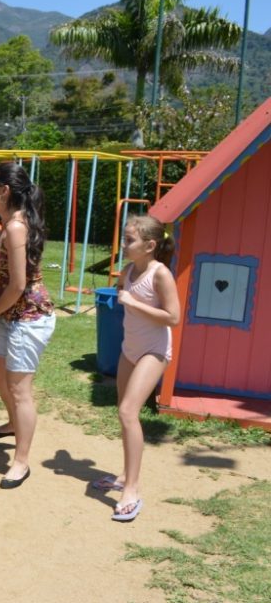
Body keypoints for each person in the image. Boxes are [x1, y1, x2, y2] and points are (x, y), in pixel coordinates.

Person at [93, 216, 179, 522]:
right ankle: (125, 476)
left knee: (128, 412)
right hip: (129, 349)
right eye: (125, 238)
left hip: (154, 351)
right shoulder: (128, 270)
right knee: (125, 414)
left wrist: (133, 302)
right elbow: (123, 296)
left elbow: (173, 317)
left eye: (129, 240)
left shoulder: (160, 274)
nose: (124, 244)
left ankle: (132, 489)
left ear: (150, 245)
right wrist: (122, 295)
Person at [0, 162, 55, 490]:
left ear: (4, 190)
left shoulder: (17, 227)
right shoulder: (11, 223)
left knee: (21, 390)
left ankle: (21, 462)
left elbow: (19, 284)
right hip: (13, 315)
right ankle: (13, 423)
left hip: (27, 318)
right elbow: (11, 266)